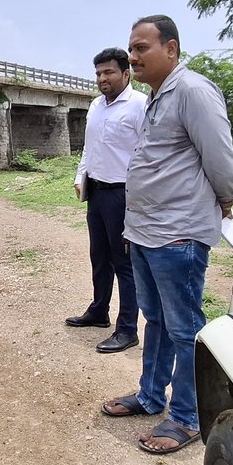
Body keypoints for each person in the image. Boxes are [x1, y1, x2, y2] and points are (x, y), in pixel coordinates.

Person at [100, 15, 233, 455]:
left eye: (142, 48)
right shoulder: (156, 97)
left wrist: (226, 199)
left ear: (172, 49)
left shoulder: (194, 91)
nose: (133, 56)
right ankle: (149, 396)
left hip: (178, 235)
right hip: (145, 232)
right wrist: (131, 227)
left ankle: (186, 416)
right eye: (132, 48)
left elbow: (219, 158)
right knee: (156, 320)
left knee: (185, 328)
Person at [66, 47, 146, 354]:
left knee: (124, 262)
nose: (103, 78)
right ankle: (98, 312)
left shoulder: (140, 106)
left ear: (126, 74)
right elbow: (89, 147)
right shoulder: (95, 105)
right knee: (98, 257)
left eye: (109, 72)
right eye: (99, 73)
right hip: (96, 193)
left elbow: (148, 151)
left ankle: (127, 329)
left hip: (124, 194)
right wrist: (80, 174)